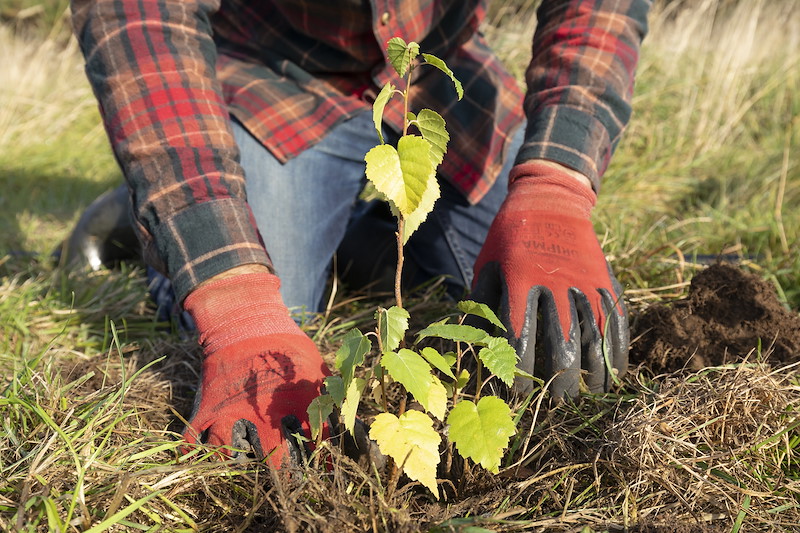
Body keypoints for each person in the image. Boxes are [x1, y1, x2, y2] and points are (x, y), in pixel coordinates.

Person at [68, 0, 651, 465]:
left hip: (429, 77)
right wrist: (232, 294)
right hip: (274, 79)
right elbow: (136, 17)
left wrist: (556, 183)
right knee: (268, 335)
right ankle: (174, 203)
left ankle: (338, 230)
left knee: (517, 303)